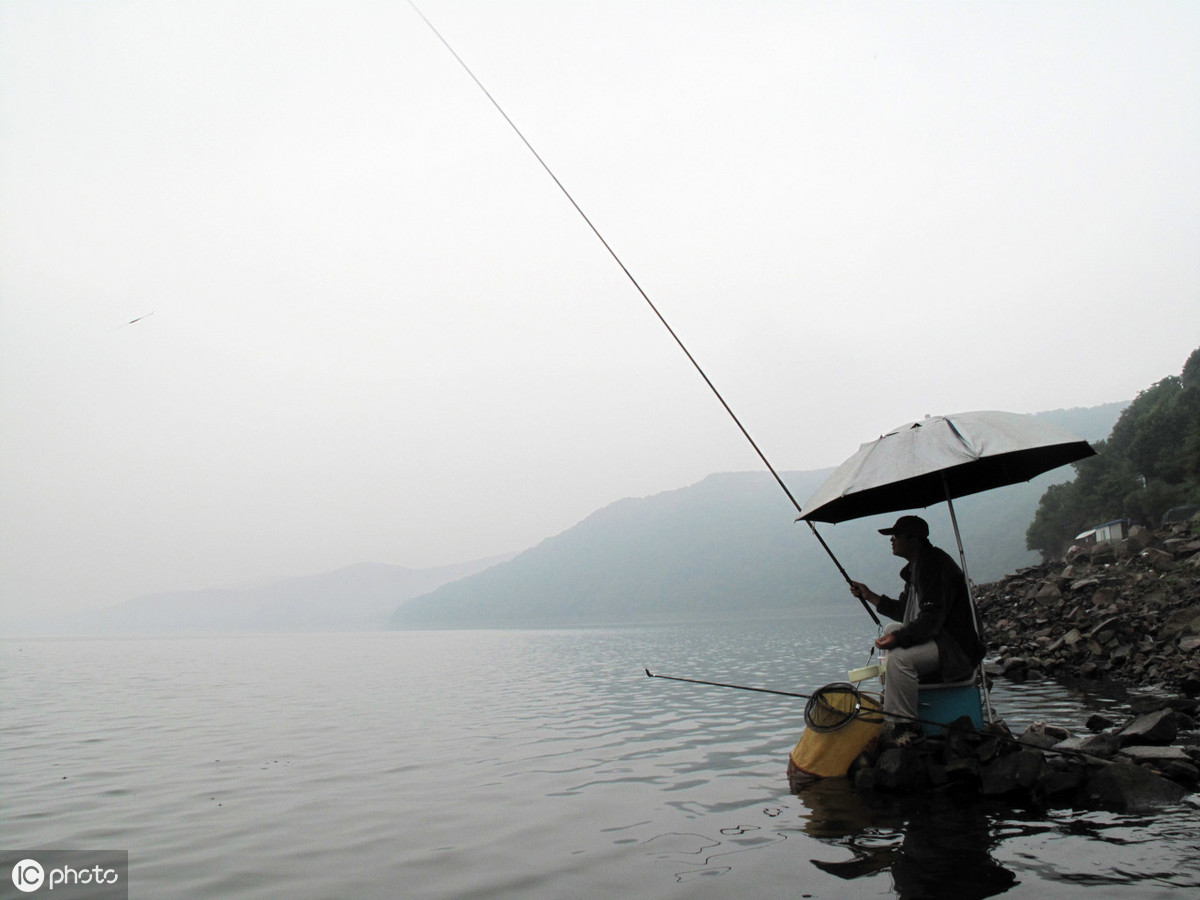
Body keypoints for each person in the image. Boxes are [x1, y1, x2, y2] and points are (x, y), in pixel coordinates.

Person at [849, 515, 985, 746]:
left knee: (899, 658)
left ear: (914, 540)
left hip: (956, 648)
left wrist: (898, 639)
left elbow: (932, 618)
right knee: (892, 629)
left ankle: (906, 726)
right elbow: (905, 611)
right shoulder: (917, 568)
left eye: (897, 536)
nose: (892, 540)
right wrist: (869, 594)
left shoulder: (934, 565)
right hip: (941, 639)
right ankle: (897, 708)